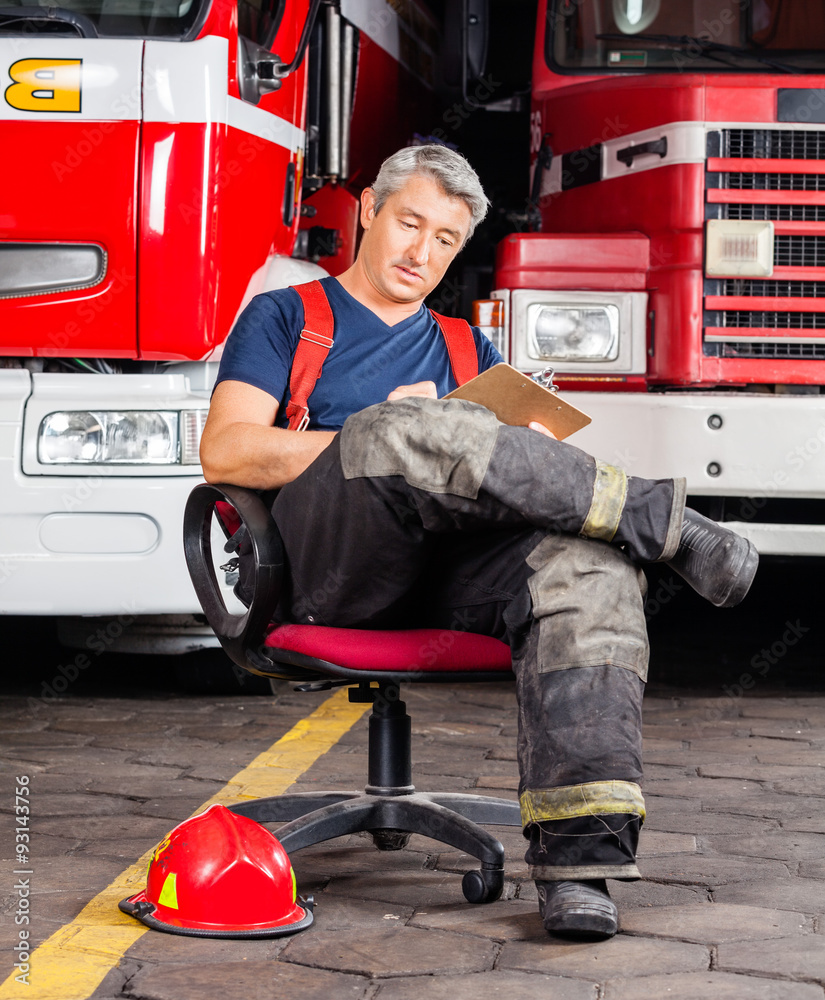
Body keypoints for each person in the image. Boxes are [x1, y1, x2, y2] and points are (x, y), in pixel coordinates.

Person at [200, 144, 758, 940]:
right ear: (368, 211)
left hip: (445, 578)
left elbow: (499, 473)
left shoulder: (469, 348)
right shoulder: (287, 315)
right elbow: (225, 451)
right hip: (326, 570)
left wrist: (505, 451)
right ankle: (670, 527)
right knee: (400, 429)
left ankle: (579, 866)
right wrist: (389, 435)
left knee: (587, 568)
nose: (420, 253)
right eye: (409, 224)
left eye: (444, 241)